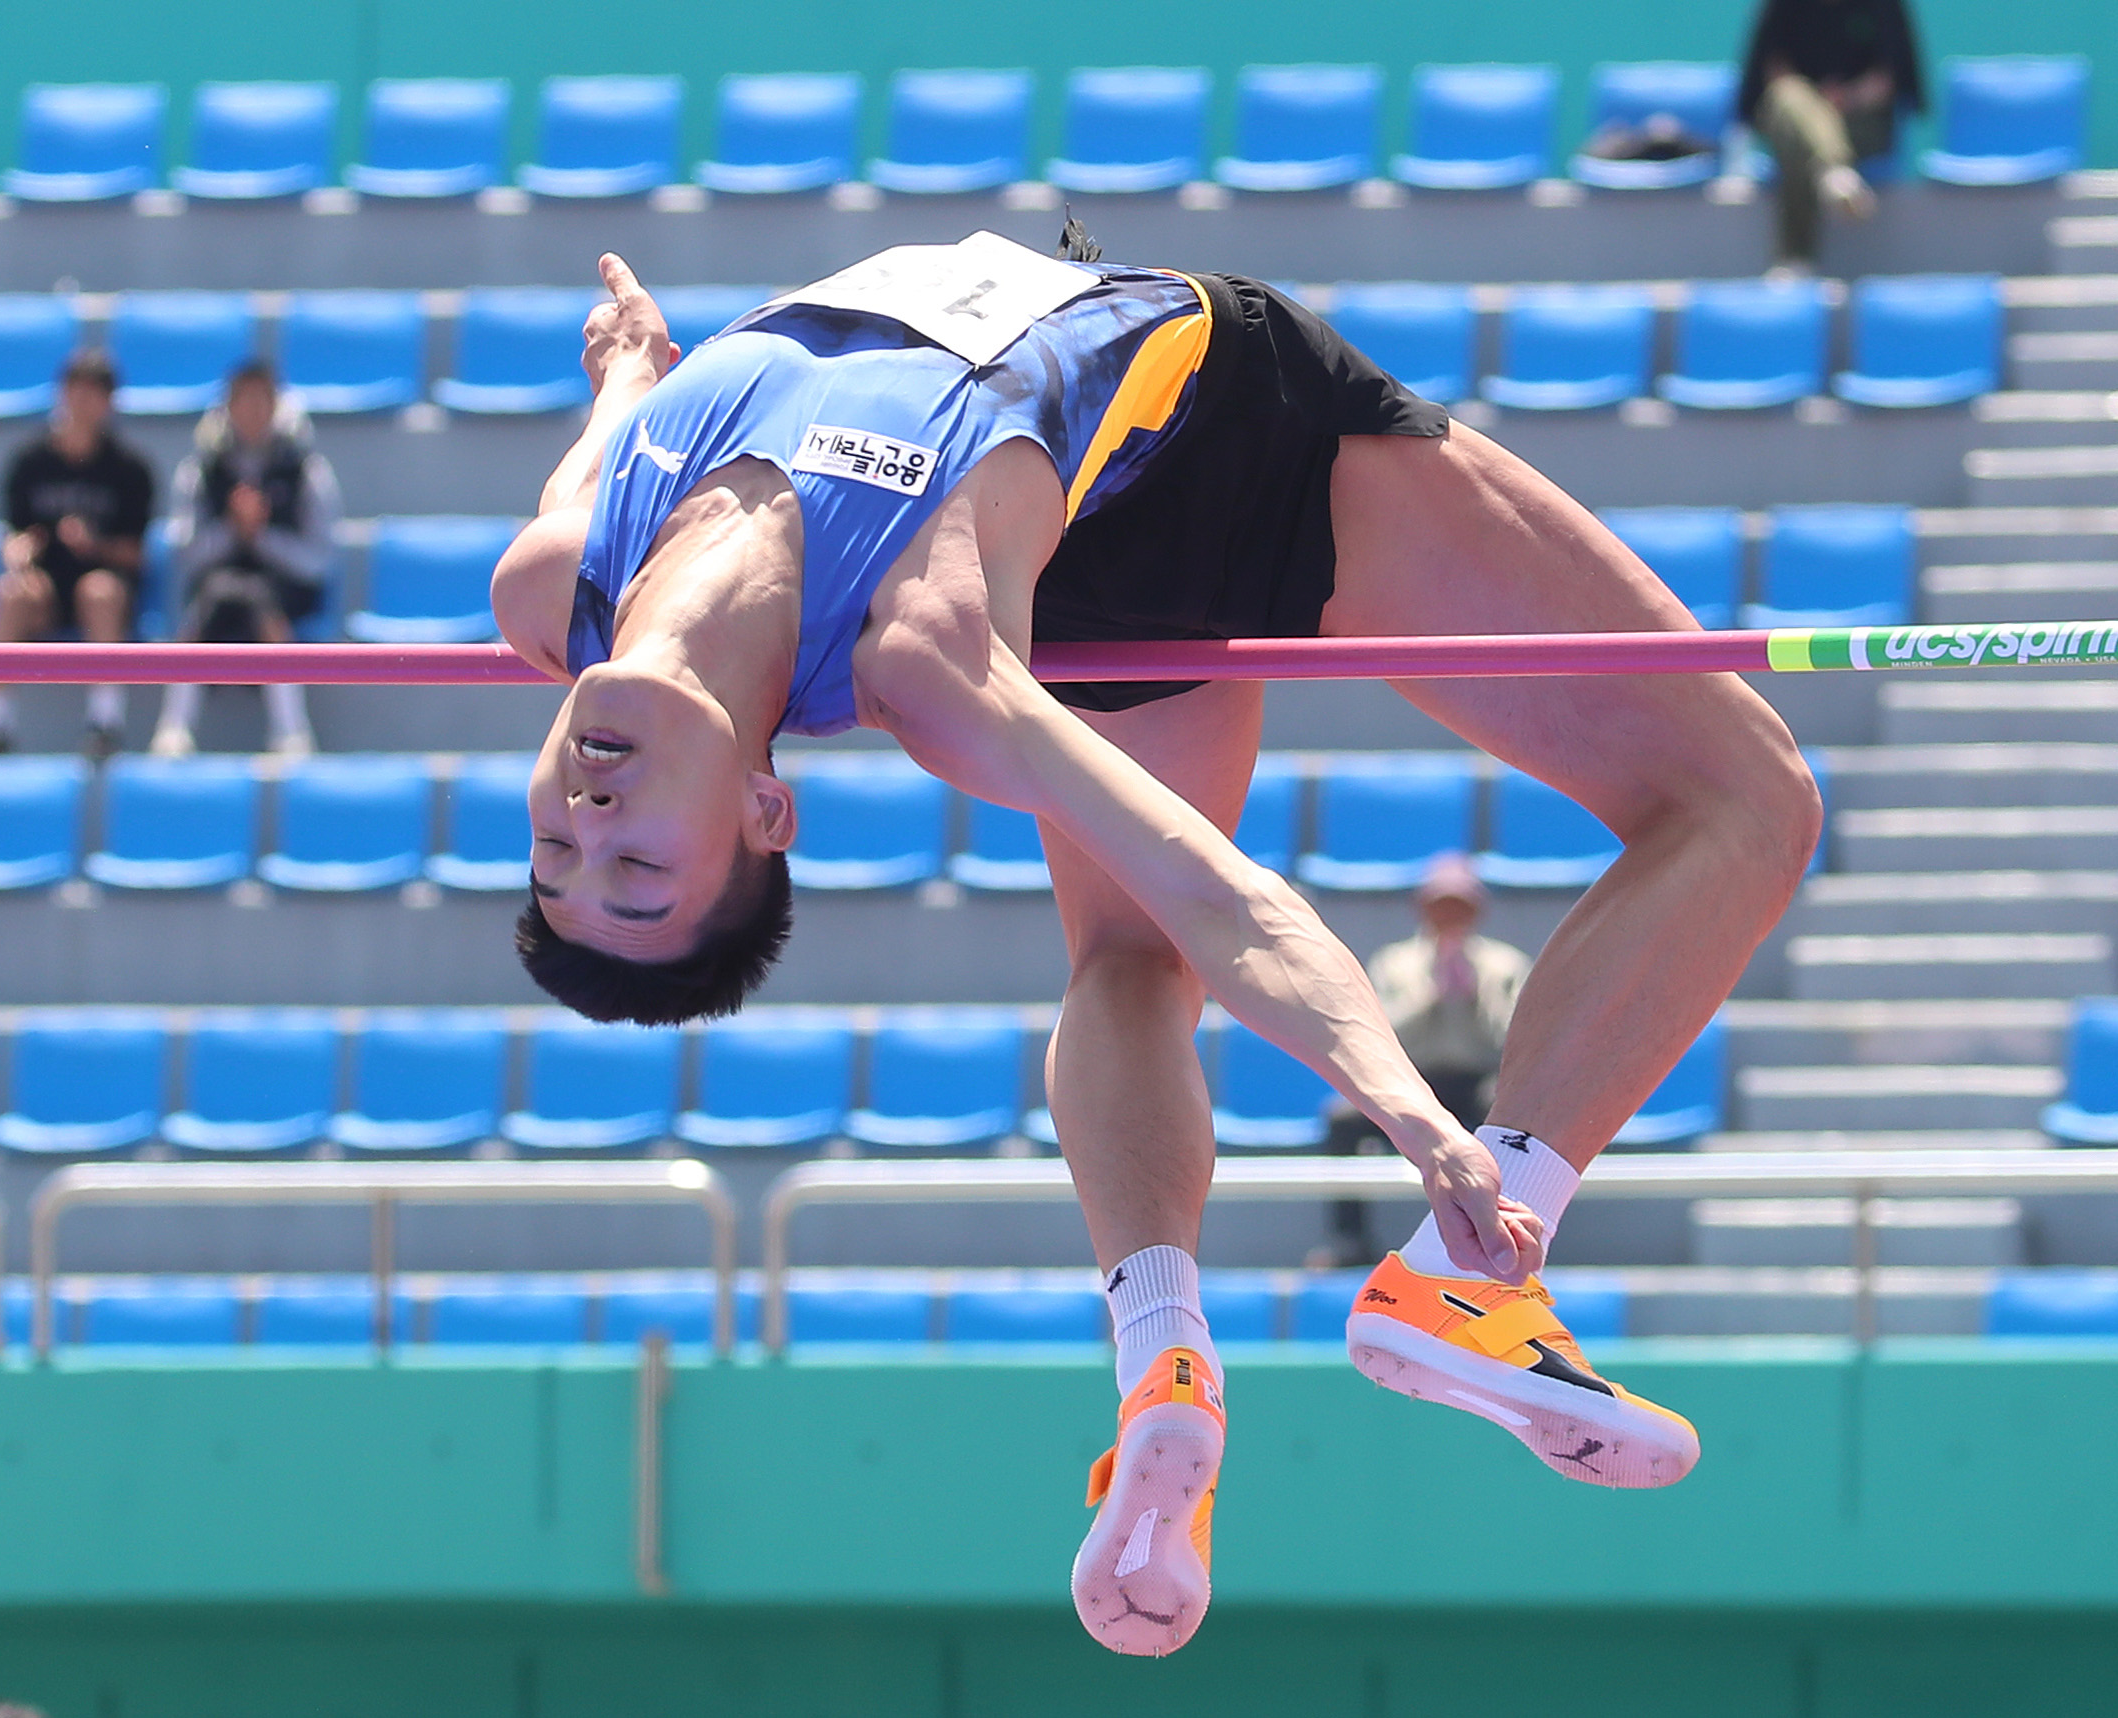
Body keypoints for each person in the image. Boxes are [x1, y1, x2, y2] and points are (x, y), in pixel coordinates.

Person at [492, 238, 1821, 1657]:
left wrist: (629, 361)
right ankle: (1467, 1268)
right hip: (1228, 440)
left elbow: (621, 411)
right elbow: (1220, 894)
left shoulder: (554, 584)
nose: (588, 821)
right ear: (768, 812)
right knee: (1746, 799)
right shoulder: (926, 654)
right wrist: (1420, 1124)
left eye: (555, 856)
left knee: (1121, 961)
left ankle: (1163, 1362)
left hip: (1079, 532)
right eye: (635, 869)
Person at [1317, 855, 1532, 1265]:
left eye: (1460, 906)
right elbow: (1381, 1035)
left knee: (1510, 1120)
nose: (1449, 915)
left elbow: (1510, 1042)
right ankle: (1348, 1239)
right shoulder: (1394, 963)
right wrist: (1430, 995)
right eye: (1441, 905)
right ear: (1423, 909)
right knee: (1343, 1120)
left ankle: (1508, 1233)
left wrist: (1473, 997)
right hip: (1412, 1083)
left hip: (1476, 1082)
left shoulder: (1504, 966)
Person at [0, 350, 155, 758]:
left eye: (95, 393)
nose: (83, 402)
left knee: (99, 590)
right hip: (46, 592)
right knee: (11, 591)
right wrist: (19, 553)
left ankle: (105, 723)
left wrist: (96, 546)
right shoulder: (29, 462)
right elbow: (12, 533)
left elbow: (137, 553)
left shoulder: (129, 469)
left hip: (104, 592)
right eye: (76, 391)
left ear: (109, 402)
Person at [148, 359, 339, 758]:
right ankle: (174, 728)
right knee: (216, 594)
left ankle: (290, 732)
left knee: (257, 595)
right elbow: (187, 554)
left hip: (284, 593)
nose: (252, 411)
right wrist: (233, 532)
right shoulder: (201, 471)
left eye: (262, 400)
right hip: (215, 594)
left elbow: (317, 560)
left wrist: (262, 537)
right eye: (243, 400)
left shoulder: (307, 471)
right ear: (227, 407)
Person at [1737, 0, 1925, 272]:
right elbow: (1774, 73)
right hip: (1796, 117)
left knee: (1799, 142)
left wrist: (1848, 98)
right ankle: (1835, 172)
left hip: (1862, 125)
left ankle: (1794, 260)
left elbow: (1891, 77)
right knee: (1790, 98)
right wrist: (1816, 106)